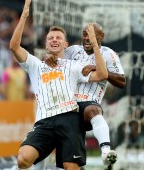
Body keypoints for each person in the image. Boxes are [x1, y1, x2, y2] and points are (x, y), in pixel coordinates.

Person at [10, 0, 108, 170]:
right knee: (23, 159)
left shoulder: (75, 66)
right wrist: (24, 17)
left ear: (66, 45)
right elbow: (14, 46)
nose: (54, 40)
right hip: (44, 121)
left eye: (58, 38)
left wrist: (94, 45)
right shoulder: (36, 65)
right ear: (46, 45)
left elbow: (101, 75)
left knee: (71, 167)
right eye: (50, 38)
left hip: (69, 119)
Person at [43, 22, 126, 170]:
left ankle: (106, 152)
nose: (87, 38)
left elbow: (121, 81)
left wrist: (99, 67)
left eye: (92, 34)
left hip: (89, 103)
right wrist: (50, 57)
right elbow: (55, 56)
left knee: (92, 110)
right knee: (68, 164)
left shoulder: (109, 54)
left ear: (101, 36)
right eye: (85, 34)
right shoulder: (73, 51)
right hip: (68, 106)